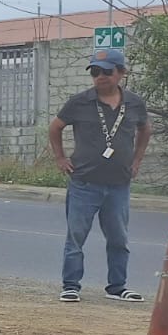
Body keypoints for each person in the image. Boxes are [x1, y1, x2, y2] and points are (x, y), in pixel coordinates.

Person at [49, 47, 151, 303]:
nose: (100, 77)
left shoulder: (134, 103)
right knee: (76, 237)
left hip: (118, 185)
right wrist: (60, 158)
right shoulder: (80, 102)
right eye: (95, 72)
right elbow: (55, 127)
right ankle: (71, 285)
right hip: (84, 183)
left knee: (119, 238)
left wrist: (137, 159)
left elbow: (145, 130)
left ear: (121, 73)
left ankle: (117, 287)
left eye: (106, 71)